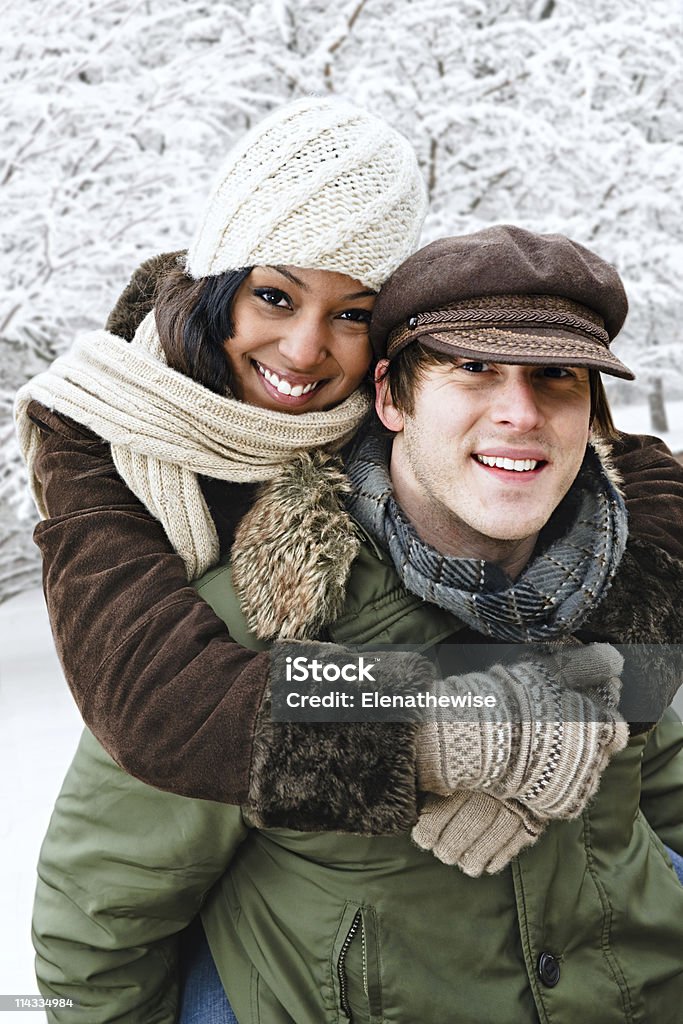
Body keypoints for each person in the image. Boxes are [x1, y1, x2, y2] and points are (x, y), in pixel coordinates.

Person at [29, 228, 683, 1023]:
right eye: (473, 369)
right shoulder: (262, 623)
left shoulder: (619, 582)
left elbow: (661, 793)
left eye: (557, 377)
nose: (520, 411)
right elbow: (96, 923)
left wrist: (574, 720)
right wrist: (450, 735)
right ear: (390, 398)